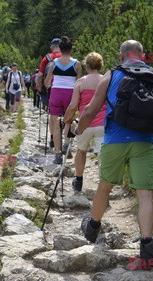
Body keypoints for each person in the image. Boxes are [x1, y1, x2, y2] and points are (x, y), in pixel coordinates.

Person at [71, 40, 153, 267]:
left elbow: (91, 109)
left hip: (114, 139)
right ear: (142, 56)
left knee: (105, 186)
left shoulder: (112, 74)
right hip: (145, 141)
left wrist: (79, 129)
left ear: (122, 56)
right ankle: (146, 247)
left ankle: (93, 227)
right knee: (144, 194)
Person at [63, 52, 107, 192]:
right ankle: (103, 185)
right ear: (101, 66)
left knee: (81, 151)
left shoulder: (81, 82)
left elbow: (73, 106)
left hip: (84, 123)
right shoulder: (106, 80)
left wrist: (66, 120)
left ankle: (78, 180)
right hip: (103, 124)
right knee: (102, 154)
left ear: (86, 66)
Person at [44, 36, 82, 164]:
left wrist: (48, 86)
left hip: (56, 92)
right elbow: (79, 83)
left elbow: (47, 81)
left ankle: (57, 153)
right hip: (70, 93)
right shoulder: (77, 64)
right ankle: (66, 142)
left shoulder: (54, 63)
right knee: (68, 120)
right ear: (71, 49)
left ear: (60, 48)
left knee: (55, 122)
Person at [36, 38, 62, 148]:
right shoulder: (67, 57)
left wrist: (39, 87)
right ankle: (64, 137)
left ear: (51, 47)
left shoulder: (47, 58)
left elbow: (40, 75)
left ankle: (53, 137)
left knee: (53, 114)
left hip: (52, 88)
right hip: (67, 89)